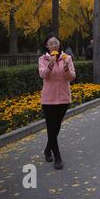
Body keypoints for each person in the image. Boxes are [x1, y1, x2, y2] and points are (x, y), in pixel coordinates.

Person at [38, 33, 76, 170]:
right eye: (51, 43)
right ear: (47, 46)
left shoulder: (67, 58)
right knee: (51, 128)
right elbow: (43, 75)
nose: (54, 45)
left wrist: (66, 67)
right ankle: (57, 157)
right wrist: (50, 65)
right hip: (48, 99)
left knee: (56, 127)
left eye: (56, 42)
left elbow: (71, 77)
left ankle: (48, 149)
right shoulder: (43, 59)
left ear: (59, 44)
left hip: (64, 98)